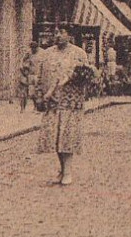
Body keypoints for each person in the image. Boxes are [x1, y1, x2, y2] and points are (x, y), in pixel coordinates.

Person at [32, 25, 94, 186]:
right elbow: (40, 76)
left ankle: (68, 172)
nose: (57, 35)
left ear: (69, 35)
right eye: (55, 32)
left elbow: (86, 76)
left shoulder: (79, 53)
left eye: (61, 32)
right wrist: (39, 95)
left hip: (71, 102)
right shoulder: (48, 54)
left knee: (67, 136)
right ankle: (62, 169)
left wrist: (73, 79)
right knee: (55, 137)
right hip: (53, 101)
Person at [19, 38, 40, 112]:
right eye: (32, 48)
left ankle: (36, 107)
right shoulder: (28, 54)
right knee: (30, 93)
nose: (33, 49)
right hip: (30, 75)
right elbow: (22, 63)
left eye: (34, 48)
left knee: (36, 92)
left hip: (37, 75)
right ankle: (23, 108)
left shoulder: (41, 54)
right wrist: (24, 72)